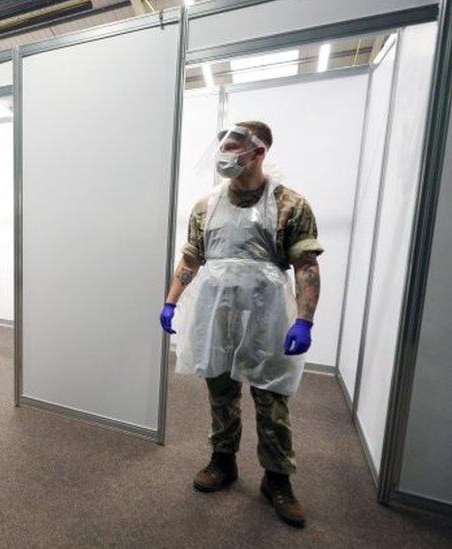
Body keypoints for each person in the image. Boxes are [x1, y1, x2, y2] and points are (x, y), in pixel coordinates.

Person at [159, 121, 321, 529]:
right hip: (218, 311)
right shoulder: (206, 205)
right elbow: (191, 258)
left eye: (233, 147)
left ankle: (277, 479)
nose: (224, 155)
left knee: (271, 396)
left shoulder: (290, 204)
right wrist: (170, 301)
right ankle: (223, 460)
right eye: (223, 147)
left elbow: (305, 264)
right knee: (220, 388)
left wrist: (304, 319)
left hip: (267, 313)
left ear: (258, 152)